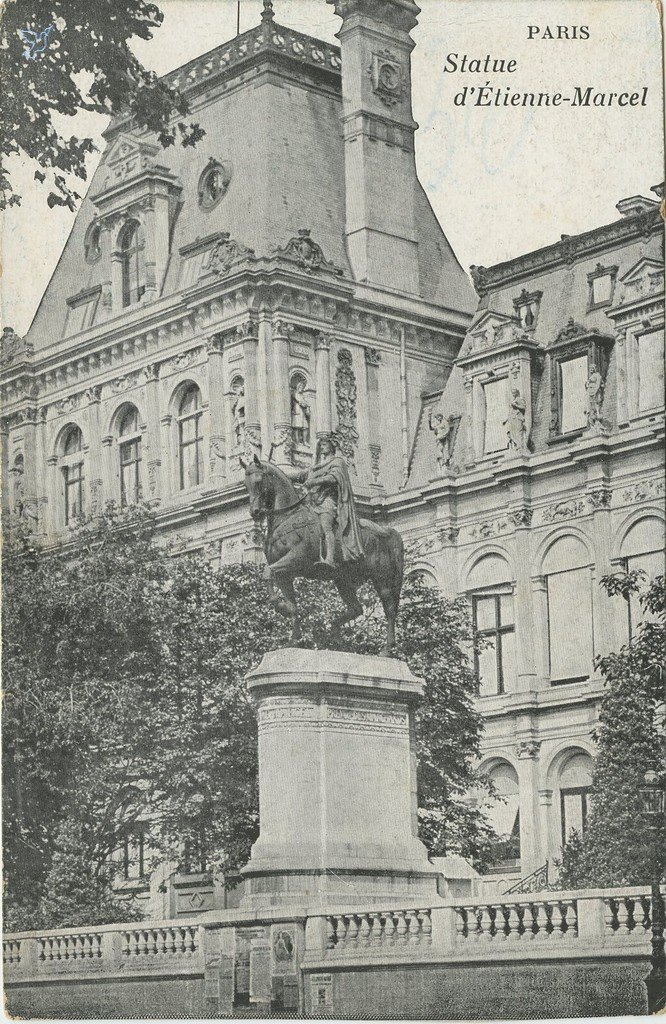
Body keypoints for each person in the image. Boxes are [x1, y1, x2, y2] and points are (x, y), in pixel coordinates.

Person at [297, 437, 364, 567]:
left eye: (324, 445)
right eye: (320, 445)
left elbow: (334, 478)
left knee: (326, 526)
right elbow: (299, 475)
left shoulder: (338, 462)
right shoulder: (316, 467)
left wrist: (314, 481)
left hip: (328, 501)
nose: (322, 447)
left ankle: (330, 559)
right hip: (313, 502)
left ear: (331, 447)